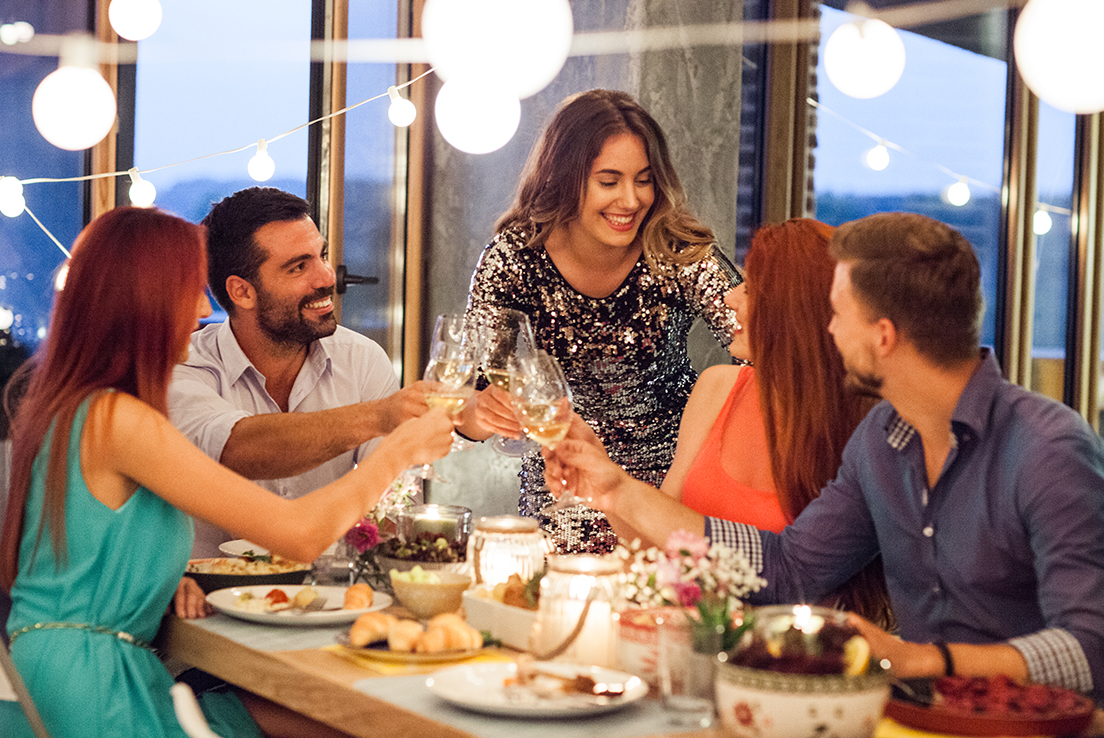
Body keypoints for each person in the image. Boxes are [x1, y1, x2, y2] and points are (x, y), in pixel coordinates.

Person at [549, 212, 1104, 701]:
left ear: (883, 336)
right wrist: (616, 489)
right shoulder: (882, 441)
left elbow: (1091, 647)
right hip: (911, 716)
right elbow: (791, 568)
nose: (827, 329)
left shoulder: (1047, 449)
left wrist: (926, 659)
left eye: (838, 313)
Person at [0, 207, 455, 737]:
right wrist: (398, 449)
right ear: (143, 298)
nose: (200, 308)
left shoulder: (73, 408)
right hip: (96, 689)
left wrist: (159, 579)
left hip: (62, 670)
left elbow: (84, 552)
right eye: (189, 288)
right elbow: (299, 534)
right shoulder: (118, 419)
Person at [547, 218, 891, 626]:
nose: (730, 297)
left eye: (751, 288)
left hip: (789, 664)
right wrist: (601, 485)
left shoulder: (870, 430)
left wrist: (620, 490)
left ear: (793, 310)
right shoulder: (717, 388)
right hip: (681, 646)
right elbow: (656, 554)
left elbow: (792, 575)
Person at [460, 89, 740, 555]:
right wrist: (482, 413)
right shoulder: (515, 259)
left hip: (671, 501)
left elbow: (765, 346)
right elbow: (469, 401)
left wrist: (715, 436)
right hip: (562, 496)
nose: (631, 200)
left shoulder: (676, 251)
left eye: (644, 180)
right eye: (609, 181)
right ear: (565, 179)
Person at [168, 187, 429, 560]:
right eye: (298, 266)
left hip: (332, 596)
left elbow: (393, 503)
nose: (326, 278)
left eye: (322, 256)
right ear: (241, 292)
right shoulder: (186, 366)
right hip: (206, 601)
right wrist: (381, 416)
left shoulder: (362, 359)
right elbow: (239, 448)